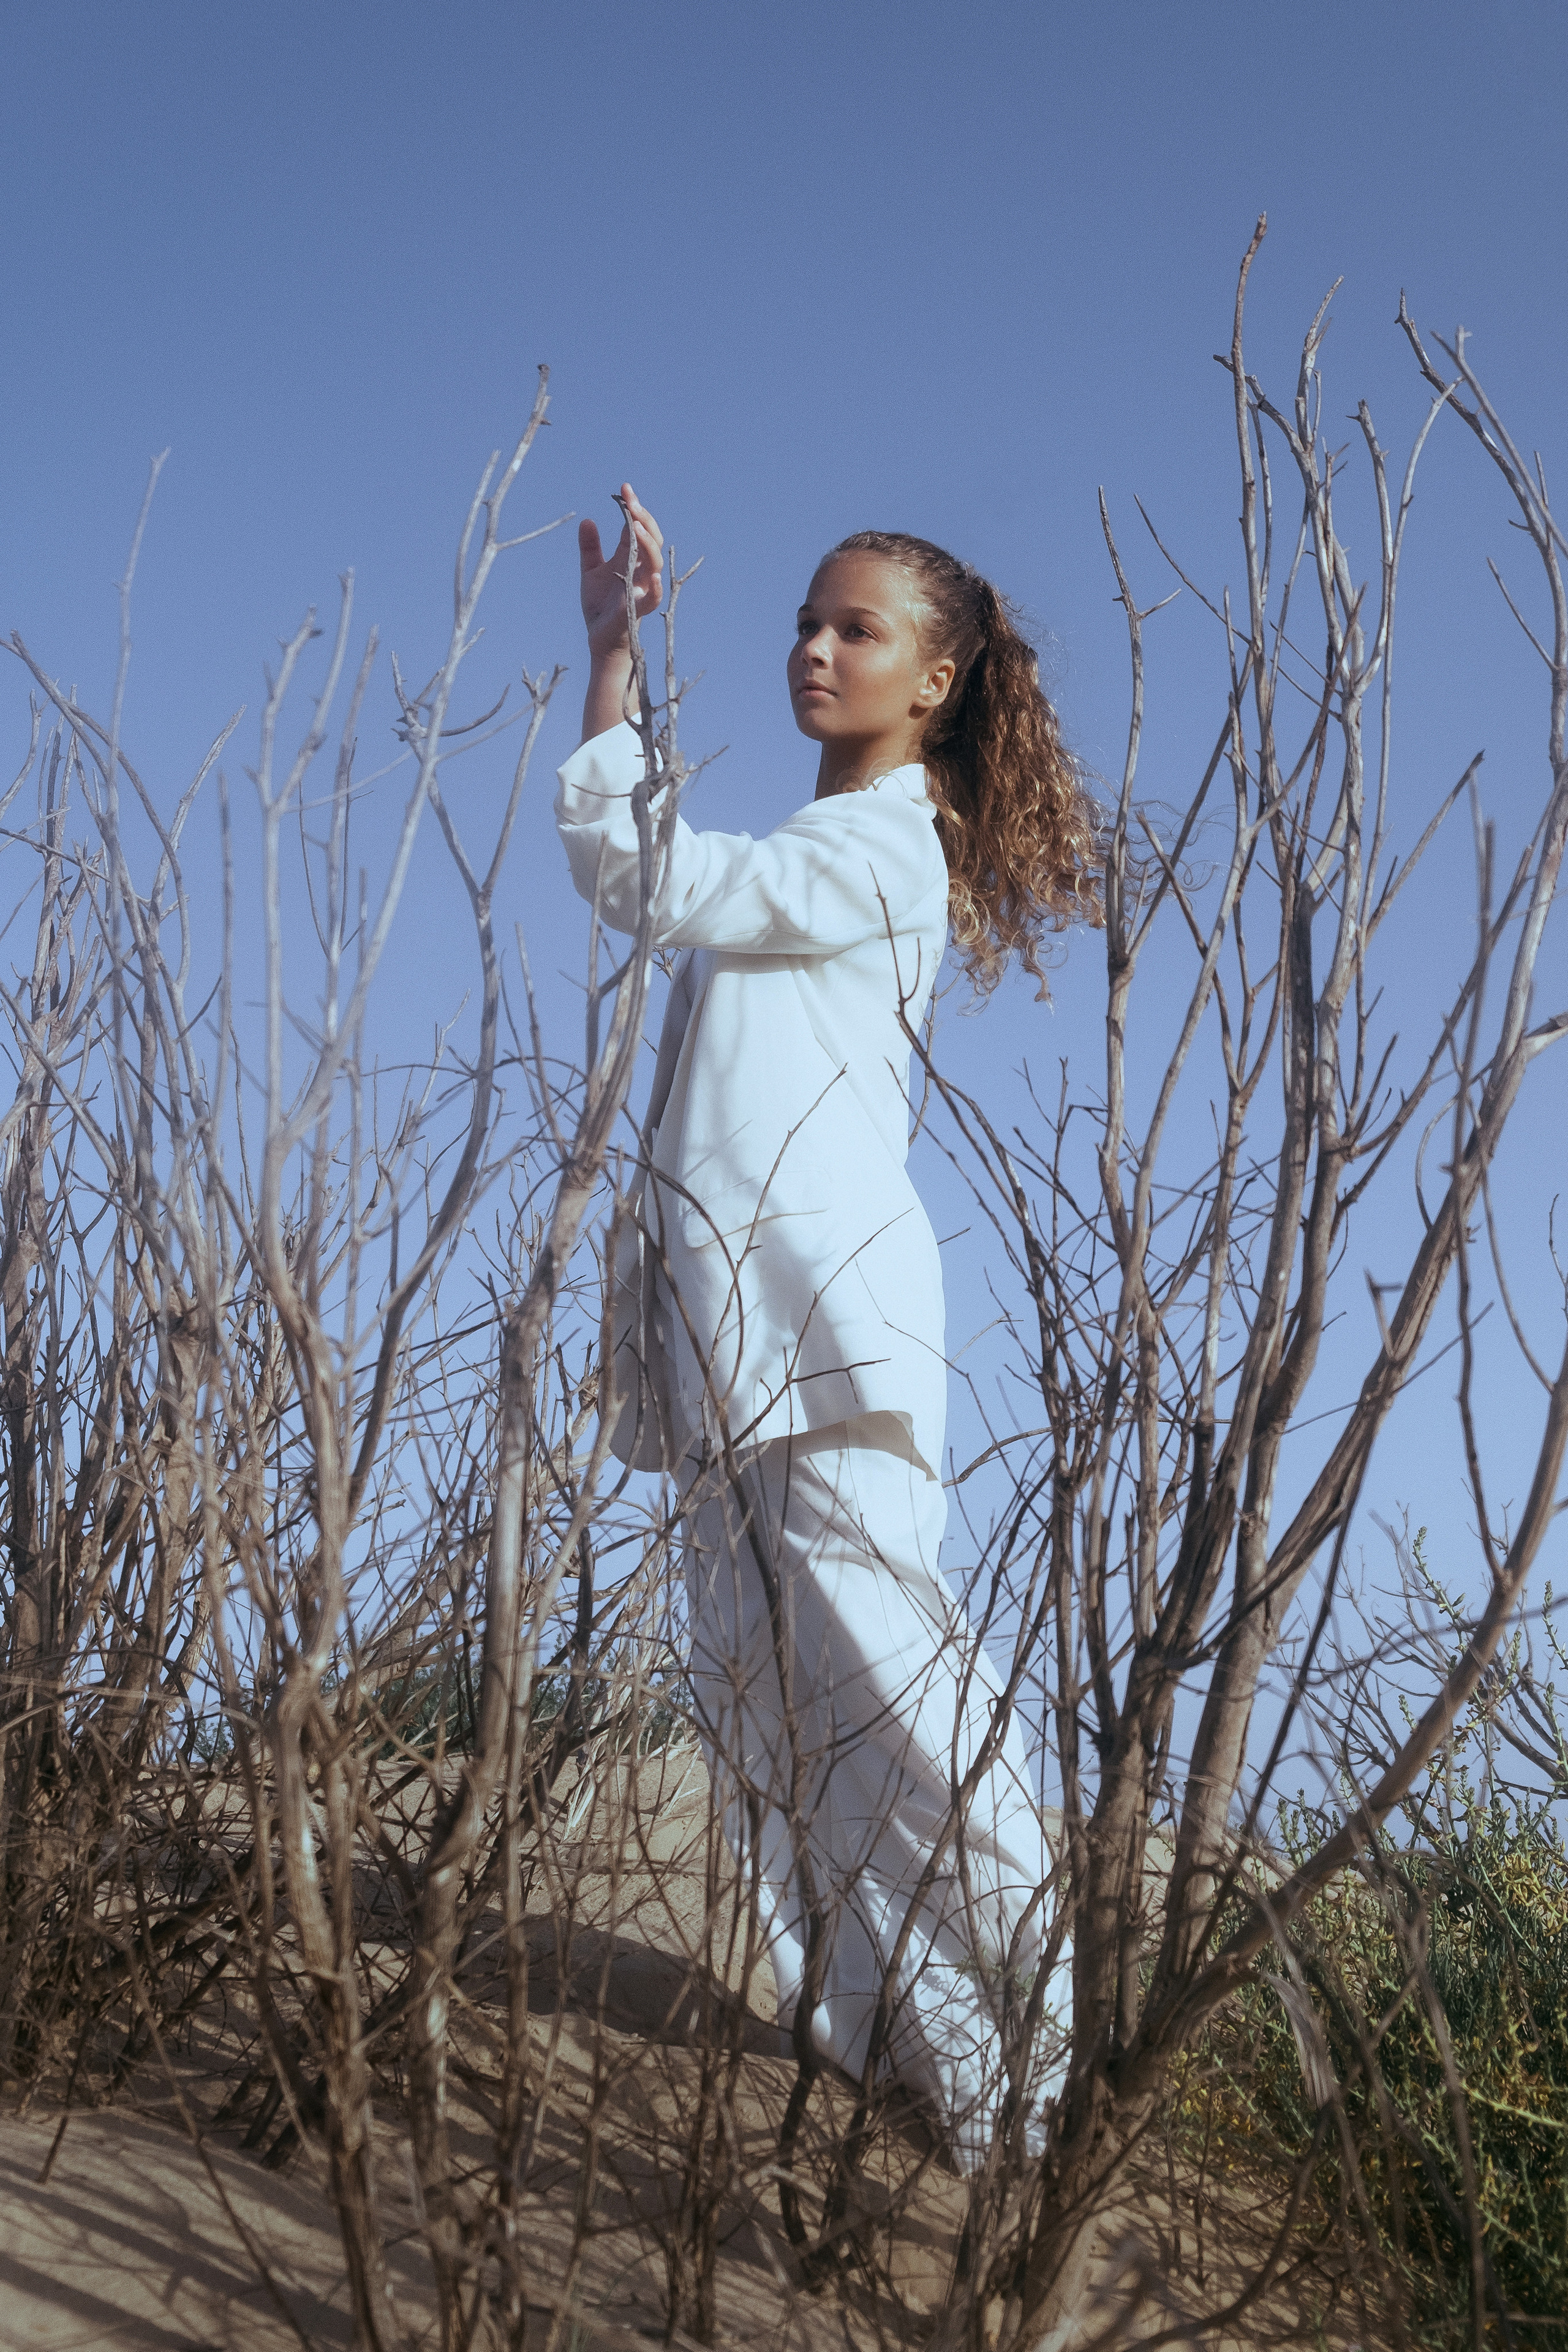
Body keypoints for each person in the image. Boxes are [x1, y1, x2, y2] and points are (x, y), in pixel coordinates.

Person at [554, 486, 1098, 2166]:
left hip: (821, 1334)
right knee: (774, 1706)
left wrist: (612, 666)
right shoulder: (831, 845)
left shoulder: (875, 842)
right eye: (805, 617)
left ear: (934, 682)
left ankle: (1050, 2059)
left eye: (857, 627)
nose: (813, 646)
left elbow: (648, 877)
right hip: (745, 1340)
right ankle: (915, 2061)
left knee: (894, 1692)